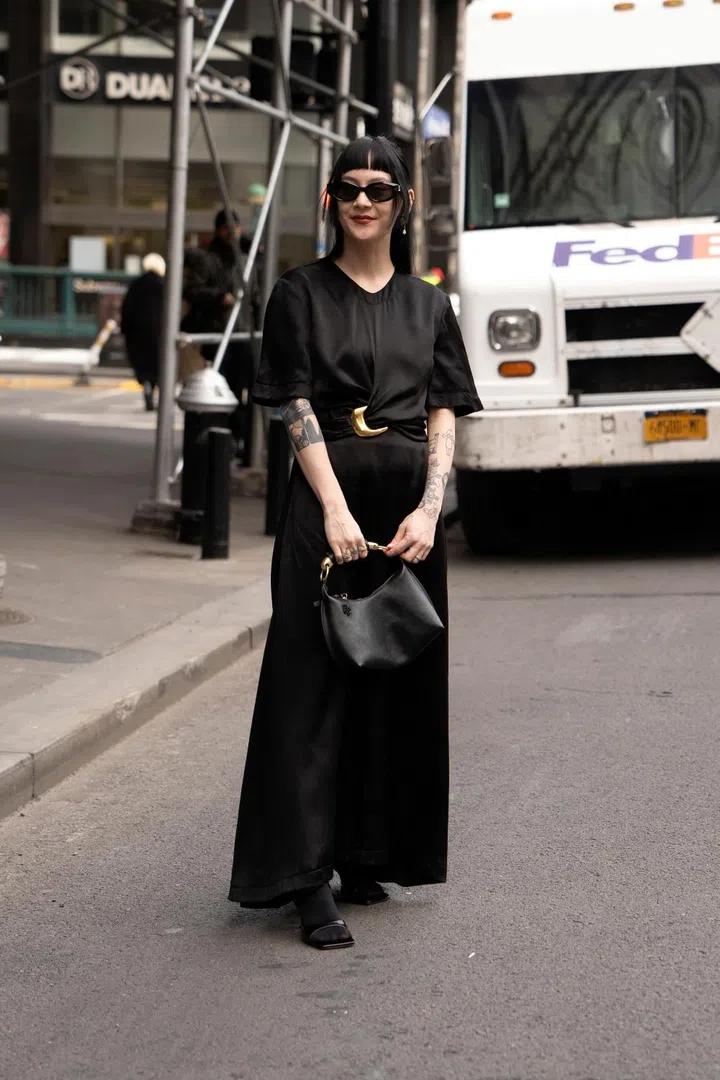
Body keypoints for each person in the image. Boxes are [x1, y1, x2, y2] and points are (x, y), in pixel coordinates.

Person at [228, 136, 482, 950]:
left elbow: (444, 407)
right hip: (328, 503)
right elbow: (292, 404)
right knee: (311, 685)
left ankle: (367, 852)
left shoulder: (428, 304)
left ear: (403, 203)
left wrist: (432, 508)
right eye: (349, 188)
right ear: (330, 201)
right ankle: (302, 877)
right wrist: (332, 507)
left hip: (408, 511)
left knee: (397, 680)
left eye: (380, 188)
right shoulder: (298, 294)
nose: (364, 200)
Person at [181, 209, 259, 462]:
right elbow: (192, 290)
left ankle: (238, 441)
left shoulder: (246, 261)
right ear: (218, 230)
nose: (231, 232)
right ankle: (222, 441)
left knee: (243, 389)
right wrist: (218, 298)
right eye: (226, 227)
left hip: (242, 335)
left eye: (234, 227)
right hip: (218, 335)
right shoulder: (207, 259)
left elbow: (256, 298)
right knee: (221, 391)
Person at [120, 253, 166, 411]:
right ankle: (162, 397)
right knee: (161, 367)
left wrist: (125, 330)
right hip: (160, 334)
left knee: (144, 368)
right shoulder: (164, 285)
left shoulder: (136, 284)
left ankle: (147, 389)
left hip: (138, 334)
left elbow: (127, 310)